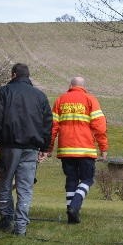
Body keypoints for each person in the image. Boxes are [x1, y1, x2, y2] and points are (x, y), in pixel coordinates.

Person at [0, 63, 52, 236]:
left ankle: (6, 218)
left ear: (13, 74)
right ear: (28, 76)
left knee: (6, 183)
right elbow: (47, 123)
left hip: (9, 146)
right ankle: (21, 226)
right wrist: (45, 147)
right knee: (25, 187)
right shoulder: (40, 96)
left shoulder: (4, 92)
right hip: (31, 147)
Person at [45, 76, 108, 224]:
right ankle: (75, 205)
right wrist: (103, 148)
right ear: (84, 86)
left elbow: (52, 127)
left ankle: (71, 215)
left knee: (71, 180)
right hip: (85, 149)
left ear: (70, 85)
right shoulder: (90, 100)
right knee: (87, 179)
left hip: (66, 150)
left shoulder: (60, 100)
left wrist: (49, 147)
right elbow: (100, 127)